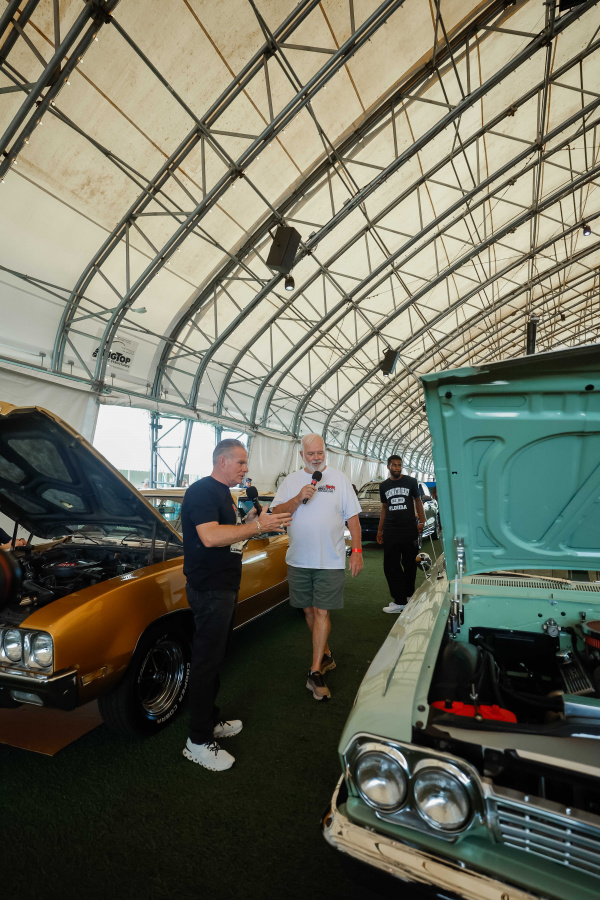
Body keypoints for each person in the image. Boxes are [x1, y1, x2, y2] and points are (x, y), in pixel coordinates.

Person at [180, 438, 291, 772]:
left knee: (217, 657)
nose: (246, 469)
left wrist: (250, 523)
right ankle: (197, 741)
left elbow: (229, 535)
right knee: (206, 661)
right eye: (241, 462)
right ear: (222, 461)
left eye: (245, 463)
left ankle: (209, 720)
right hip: (209, 589)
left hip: (224, 587)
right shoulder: (202, 491)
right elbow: (210, 537)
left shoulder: (224, 494)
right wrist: (257, 526)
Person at [270, 434, 362, 701]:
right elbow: (276, 513)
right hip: (299, 560)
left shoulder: (339, 479)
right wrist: (299, 497)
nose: (316, 458)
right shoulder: (291, 481)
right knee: (308, 611)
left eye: (320, 452)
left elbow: (353, 519)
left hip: (330, 560)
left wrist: (357, 552)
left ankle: (315, 671)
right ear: (302, 456)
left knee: (322, 611)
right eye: (311, 454)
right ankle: (327, 655)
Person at [376, 455, 425, 613]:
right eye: (394, 465)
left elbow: (418, 501)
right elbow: (384, 508)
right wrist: (380, 530)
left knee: (410, 563)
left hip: (409, 529)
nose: (397, 468)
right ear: (388, 467)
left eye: (399, 465)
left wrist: (422, 521)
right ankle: (399, 600)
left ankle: (409, 596)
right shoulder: (384, 486)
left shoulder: (411, 481)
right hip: (391, 530)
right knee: (391, 565)